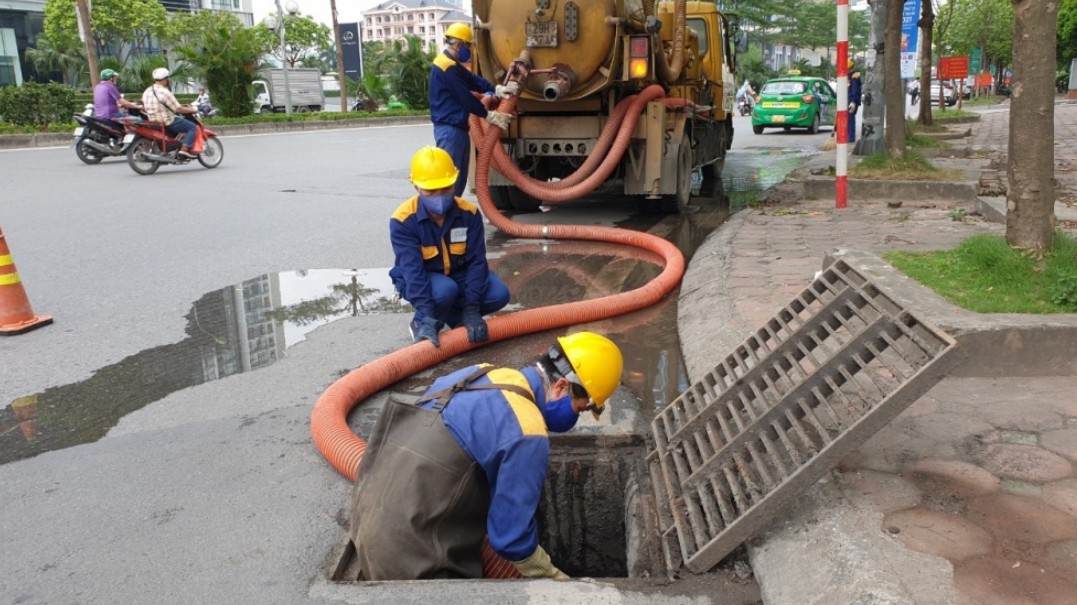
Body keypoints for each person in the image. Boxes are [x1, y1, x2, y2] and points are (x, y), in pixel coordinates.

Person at [348, 331, 624, 580]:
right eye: (581, 407)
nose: (576, 417)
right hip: (414, 564)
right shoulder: (527, 431)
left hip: (365, 529)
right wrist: (555, 580)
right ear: (562, 386)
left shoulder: (482, 373)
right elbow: (512, 541)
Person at [389, 146, 510, 346]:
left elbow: (476, 262)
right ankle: (422, 323)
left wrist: (472, 308)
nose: (439, 195)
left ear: (454, 183)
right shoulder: (403, 220)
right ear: (416, 187)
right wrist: (427, 313)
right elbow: (413, 271)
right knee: (445, 290)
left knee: (499, 294)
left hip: (457, 274)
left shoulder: (468, 214)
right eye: (431, 190)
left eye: (446, 188)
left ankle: (455, 319)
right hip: (425, 279)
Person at [429, 22, 519, 197]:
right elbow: (465, 97)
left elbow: (472, 79)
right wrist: (488, 115)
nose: (469, 49)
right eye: (468, 45)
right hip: (449, 130)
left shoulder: (451, 63)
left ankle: (453, 215)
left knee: (459, 178)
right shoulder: (446, 67)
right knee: (450, 179)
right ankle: (444, 218)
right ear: (458, 44)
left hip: (457, 129)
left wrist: (496, 89)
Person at [141, 67, 201, 158]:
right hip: (167, 121)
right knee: (193, 127)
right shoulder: (165, 92)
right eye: (168, 78)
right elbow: (179, 109)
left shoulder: (147, 91)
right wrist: (193, 110)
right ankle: (184, 150)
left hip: (153, 121)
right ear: (165, 79)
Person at [847, 59, 862, 143]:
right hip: (849, 100)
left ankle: (851, 138)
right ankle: (849, 136)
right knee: (848, 119)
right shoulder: (849, 76)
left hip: (852, 101)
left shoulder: (854, 76)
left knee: (850, 118)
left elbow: (855, 90)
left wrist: (853, 101)